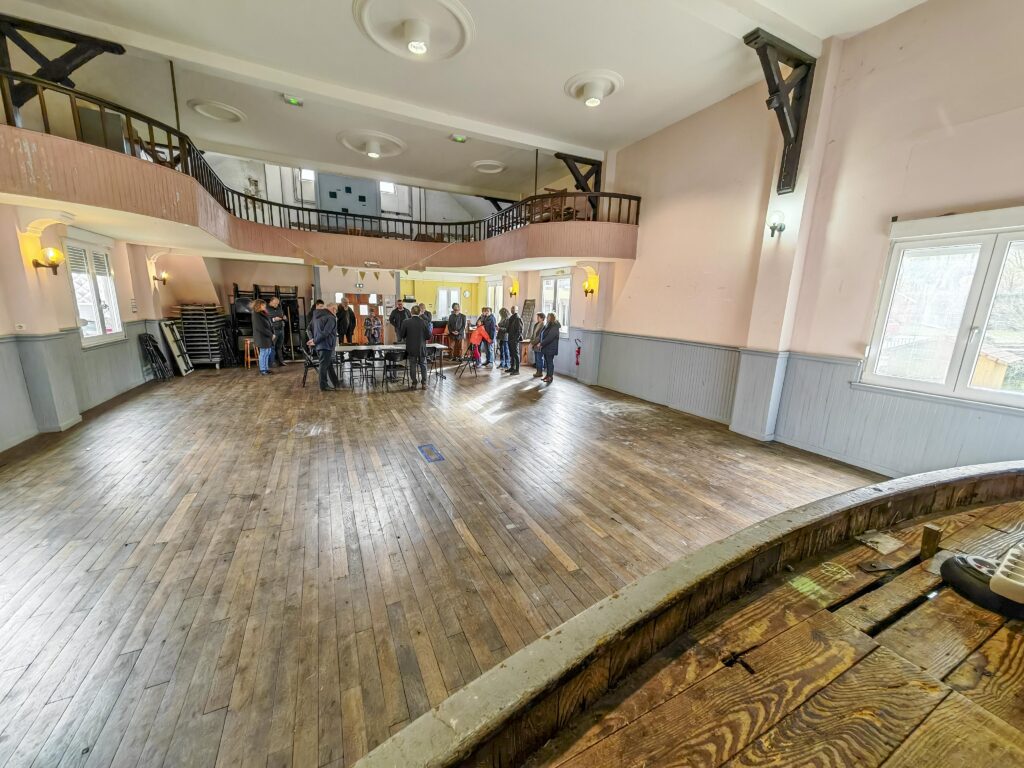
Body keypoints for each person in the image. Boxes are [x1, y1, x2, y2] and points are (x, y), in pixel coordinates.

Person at [307, 302, 340, 391]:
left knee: (329, 365)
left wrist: (313, 340)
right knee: (324, 366)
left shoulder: (316, 317)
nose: (336, 312)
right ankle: (323, 385)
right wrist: (314, 341)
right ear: (333, 309)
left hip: (319, 345)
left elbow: (311, 329)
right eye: (336, 310)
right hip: (326, 345)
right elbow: (326, 333)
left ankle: (336, 382)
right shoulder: (331, 318)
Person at [398, 305, 431, 390]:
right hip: (421, 347)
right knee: (423, 365)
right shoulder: (424, 322)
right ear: (420, 312)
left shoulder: (406, 322)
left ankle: (414, 383)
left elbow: (402, 335)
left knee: (412, 365)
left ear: (411, 312)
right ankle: (424, 384)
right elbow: (428, 336)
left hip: (411, 348)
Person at [250, 299, 276, 376]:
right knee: (263, 353)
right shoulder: (256, 314)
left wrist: (272, 333)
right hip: (262, 337)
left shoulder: (262, 313)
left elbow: (269, 323)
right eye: (263, 305)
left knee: (267, 352)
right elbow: (260, 328)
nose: (265, 306)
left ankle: (266, 369)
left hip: (266, 337)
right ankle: (263, 370)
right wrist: (271, 335)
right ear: (258, 305)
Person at [539, 312, 561, 383]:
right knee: (547, 362)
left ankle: (550, 377)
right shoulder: (548, 325)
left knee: (550, 362)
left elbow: (550, 337)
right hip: (546, 347)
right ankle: (547, 375)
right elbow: (543, 333)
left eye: (548, 317)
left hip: (551, 347)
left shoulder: (555, 326)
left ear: (552, 318)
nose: (547, 318)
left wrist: (541, 343)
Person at [267, 296, 287, 366]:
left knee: (280, 346)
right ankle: (271, 362)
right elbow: (265, 320)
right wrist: (274, 319)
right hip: (273, 330)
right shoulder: (266, 309)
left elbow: (284, 318)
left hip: (281, 329)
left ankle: (281, 361)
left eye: (277, 304)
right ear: (271, 302)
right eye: (275, 303)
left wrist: (285, 318)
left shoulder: (279, 308)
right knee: (272, 346)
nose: (276, 305)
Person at [505, 305, 523, 375]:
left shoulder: (518, 318)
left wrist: (515, 339)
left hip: (514, 339)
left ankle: (517, 370)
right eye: (511, 309)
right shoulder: (511, 318)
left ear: (517, 310)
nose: (512, 310)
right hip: (510, 338)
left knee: (516, 354)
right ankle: (512, 367)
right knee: (511, 354)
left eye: (513, 309)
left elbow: (519, 331)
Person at [532, 312, 547, 376]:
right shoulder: (536, 324)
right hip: (535, 344)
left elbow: (540, 336)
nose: (537, 318)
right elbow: (534, 334)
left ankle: (540, 372)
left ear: (542, 318)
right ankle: (538, 371)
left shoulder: (543, 326)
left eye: (538, 317)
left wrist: (534, 342)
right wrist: (532, 341)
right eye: (537, 317)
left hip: (539, 344)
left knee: (539, 358)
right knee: (536, 358)